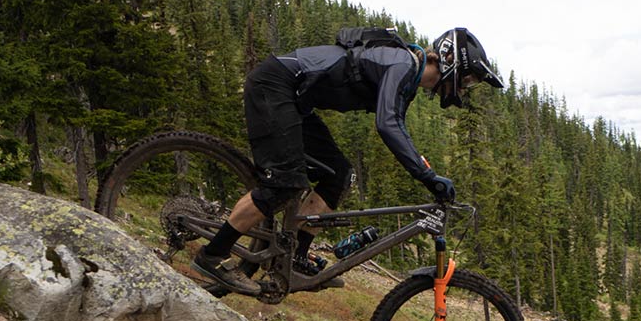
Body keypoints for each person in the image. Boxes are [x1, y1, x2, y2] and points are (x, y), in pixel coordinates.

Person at [192, 27, 505, 296]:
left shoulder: (406, 75)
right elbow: (388, 125)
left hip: (296, 100)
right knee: (283, 185)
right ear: (451, 63)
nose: (466, 88)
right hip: (274, 86)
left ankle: (296, 256)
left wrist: (426, 172)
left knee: (338, 174)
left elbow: (397, 127)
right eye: (469, 80)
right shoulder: (402, 64)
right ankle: (212, 255)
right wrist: (427, 176)